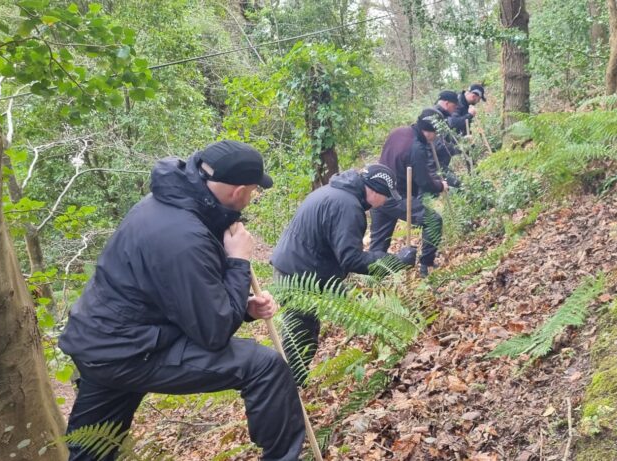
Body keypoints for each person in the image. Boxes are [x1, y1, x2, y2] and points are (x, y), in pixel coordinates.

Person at [59, 141, 304, 461]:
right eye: (254, 191)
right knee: (264, 367)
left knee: (91, 451)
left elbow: (180, 294)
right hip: (132, 351)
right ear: (238, 191)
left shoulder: (170, 204)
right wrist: (239, 262)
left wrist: (243, 308)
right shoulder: (183, 235)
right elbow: (213, 332)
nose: (252, 197)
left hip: (101, 343)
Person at [270, 164, 416, 384]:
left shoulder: (334, 191)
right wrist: (394, 262)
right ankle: (289, 391)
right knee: (300, 338)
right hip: (298, 276)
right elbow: (351, 259)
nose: (385, 202)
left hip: (296, 268)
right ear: (374, 191)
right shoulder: (348, 207)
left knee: (304, 334)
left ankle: (292, 387)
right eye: (385, 196)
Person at [370, 108, 448, 277]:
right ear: (428, 131)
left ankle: (374, 279)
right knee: (433, 220)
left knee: (378, 245)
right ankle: (426, 266)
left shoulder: (398, 132)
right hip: (396, 196)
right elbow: (425, 182)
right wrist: (440, 186)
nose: (435, 138)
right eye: (435, 133)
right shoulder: (416, 148)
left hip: (375, 192)